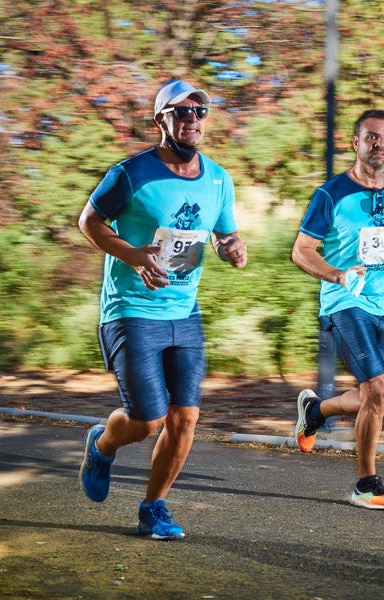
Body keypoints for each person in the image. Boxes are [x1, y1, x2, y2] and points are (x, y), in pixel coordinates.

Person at [77, 79, 247, 539]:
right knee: (147, 420)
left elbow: (223, 233)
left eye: (200, 111)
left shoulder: (218, 178)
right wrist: (133, 255)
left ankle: (154, 506)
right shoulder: (131, 173)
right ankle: (103, 442)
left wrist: (231, 246)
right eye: (182, 112)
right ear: (161, 121)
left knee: (185, 416)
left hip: (184, 311)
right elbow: (88, 222)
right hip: (131, 310)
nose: (193, 119)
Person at [291, 109, 384, 510]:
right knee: (378, 390)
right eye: (372, 137)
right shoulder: (331, 194)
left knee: (378, 398)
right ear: (356, 143)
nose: (380, 145)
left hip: (383, 305)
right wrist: (336, 275)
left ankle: (315, 410)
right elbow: (301, 251)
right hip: (344, 302)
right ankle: (366, 485)